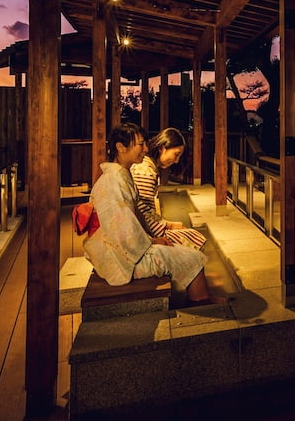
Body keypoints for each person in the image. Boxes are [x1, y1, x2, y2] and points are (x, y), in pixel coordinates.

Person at [82, 123, 215, 304]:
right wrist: (153, 239)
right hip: (122, 260)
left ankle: (195, 296)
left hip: (123, 248)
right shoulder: (116, 181)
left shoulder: (120, 176)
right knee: (194, 258)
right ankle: (202, 303)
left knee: (189, 252)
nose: (146, 149)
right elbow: (125, 230)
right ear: (121, 147)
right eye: (140, 144)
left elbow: (128, 222)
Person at [131, 127, 206, 250]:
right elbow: (143, 211)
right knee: (195, 241)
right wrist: (164, 229)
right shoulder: (145, 171)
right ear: (162, 148)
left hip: (146, 227)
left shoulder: (148, 167)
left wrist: (168, 224)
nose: (176, 161)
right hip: (143, 231)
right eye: (176, 154)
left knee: (189, 234)